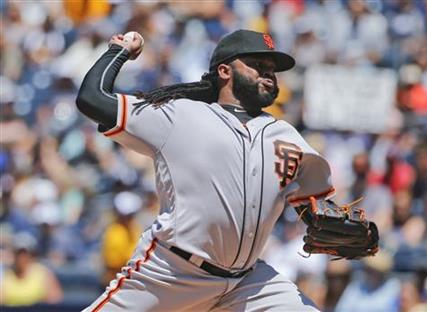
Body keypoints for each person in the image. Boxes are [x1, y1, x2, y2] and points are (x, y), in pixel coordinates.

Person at [76, 29, 321, 311]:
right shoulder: (179, 115)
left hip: (247, 283)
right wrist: (118, 52)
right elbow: (92, 99)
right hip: (172, 274)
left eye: (272, 69)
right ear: (224, 71)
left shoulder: (286, 136)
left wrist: (328, 225)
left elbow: (312, 203)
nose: (268, 73)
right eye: (257, 64)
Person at [101, 191, 143, 287]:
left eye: (131, 215)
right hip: (117, 284)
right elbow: (114, 268)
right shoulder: (114, 232)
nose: (128, 218)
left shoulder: (136, 228)